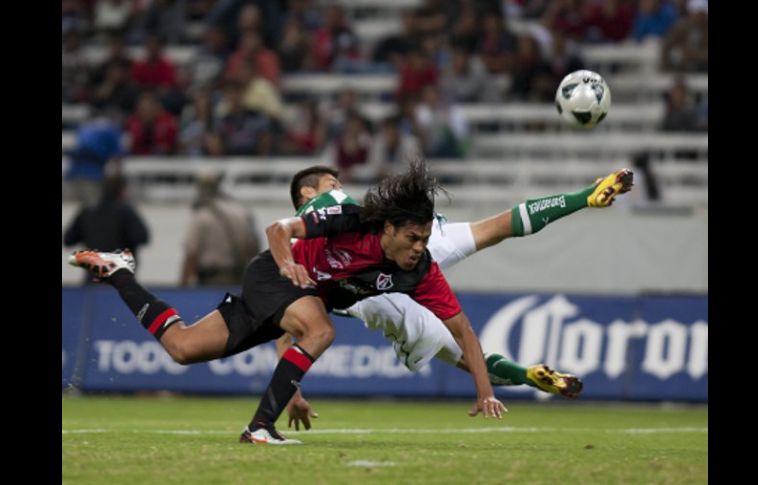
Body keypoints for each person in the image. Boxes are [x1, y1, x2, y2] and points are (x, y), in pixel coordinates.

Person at [69, 160, 509, 445]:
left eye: (425, 240)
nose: (418, 248)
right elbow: (278, 231)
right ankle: (260, 427)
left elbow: (463, 330)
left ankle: (119, 271)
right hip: (273, 274)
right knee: (321, 330)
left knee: (182, 347)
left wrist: (484, 392)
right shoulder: (347, 217)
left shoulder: (421, 270)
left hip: (292, 296)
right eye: (412, 238)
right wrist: (287, 266)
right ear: (388, 229)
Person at [278, 164, 633, 431]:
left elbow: (285, 326)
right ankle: (583, 197)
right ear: (307, 195)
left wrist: (292, 394)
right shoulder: (305, 239)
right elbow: (282, 324)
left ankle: (519, 376)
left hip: (384, 277)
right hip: (404, 248)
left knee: (453, 348)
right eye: (331, 184)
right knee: (494, 228)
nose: (339, 188)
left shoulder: (361, 226)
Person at [63, 173, 150, 283]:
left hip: (92, 280)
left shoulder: (88, 212)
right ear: (122, 191)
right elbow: (142, 238)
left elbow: (68, 240)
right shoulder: (126, 212)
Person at [179, 171, 261, 286]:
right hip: (239, 279)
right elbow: (253, 248)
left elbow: (191, 255)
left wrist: (183, 287)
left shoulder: (201, 215)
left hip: (210, 282)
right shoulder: (241, 211)